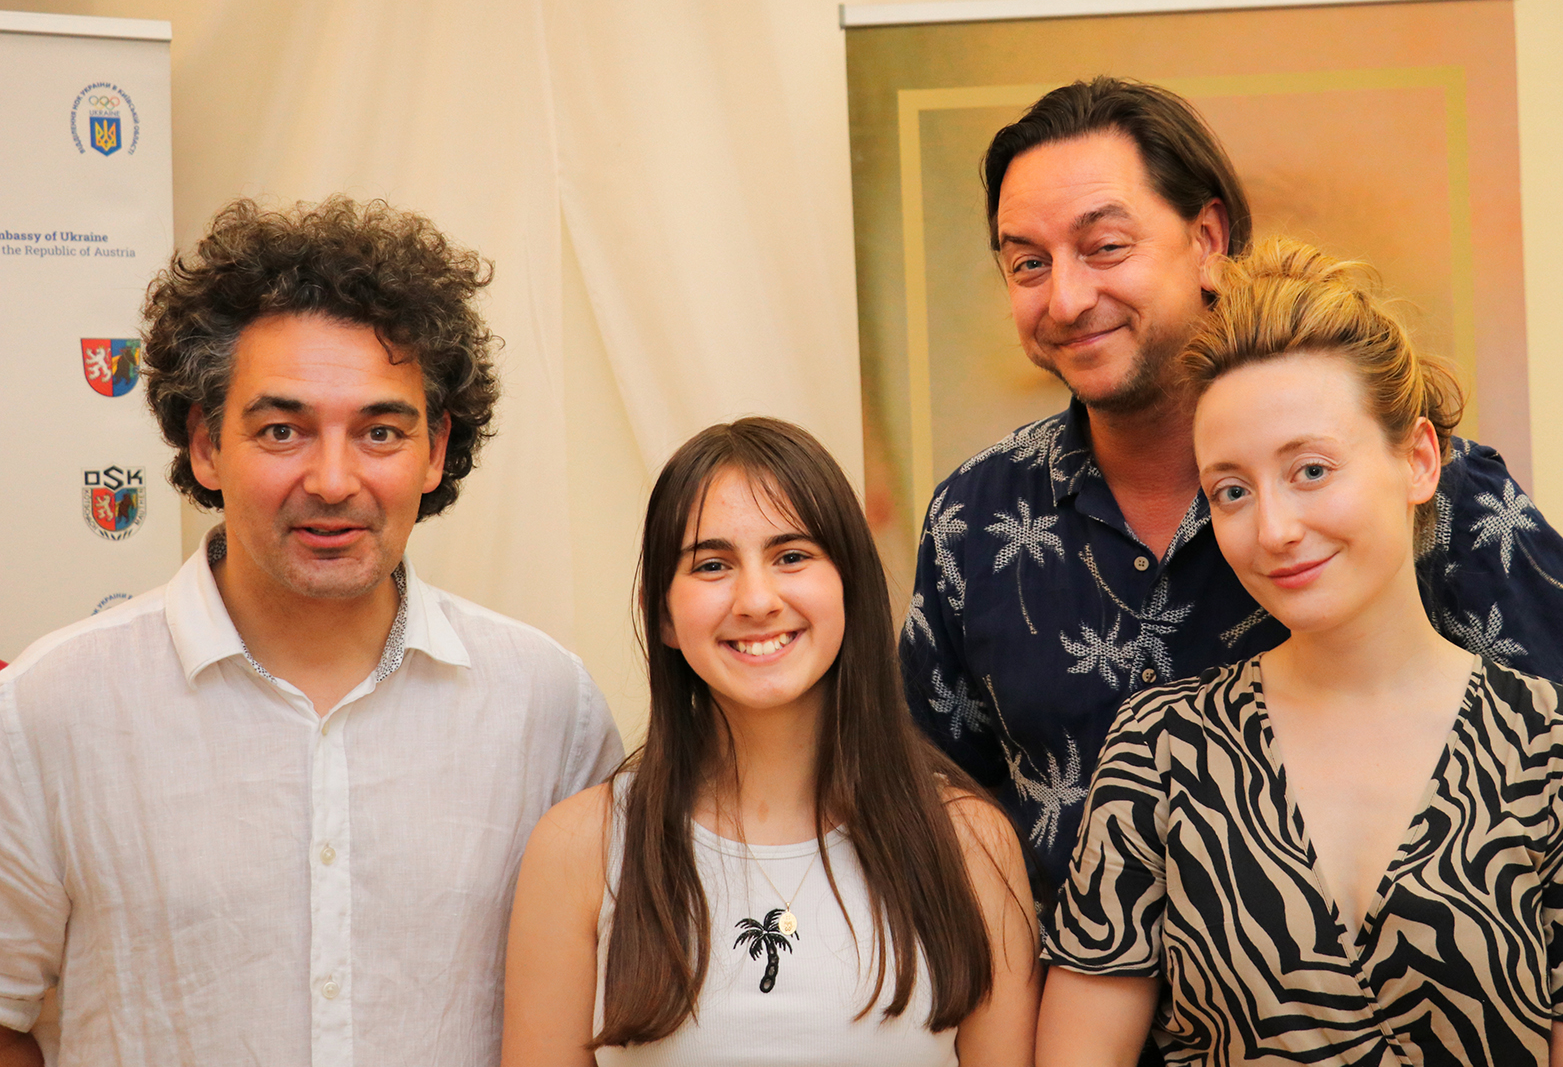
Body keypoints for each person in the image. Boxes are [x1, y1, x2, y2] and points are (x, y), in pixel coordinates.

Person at [901, 78, 1563, 898]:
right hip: (1068, 982)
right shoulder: (976, 517)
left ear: (1208, 240)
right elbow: (932, 796)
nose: (1068, 298)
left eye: (1105, 246)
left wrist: (1558, 953)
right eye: (1028, 264)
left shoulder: (1408, 492)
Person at [0, 197, 623, 1067]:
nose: (333, 480)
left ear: (436, 449)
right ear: (205, 444)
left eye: (380, 431)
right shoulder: (45, 710)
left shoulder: (548, 705)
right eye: (283, 430)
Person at [1037, 241, 1563, 1066]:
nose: (1274, 529)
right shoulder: (1162, 749)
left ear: (1417, 460)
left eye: (1311, 470)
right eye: (1231, 491)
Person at [501, 417, 1040, 1066]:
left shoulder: (969, 842)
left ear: (851, 585)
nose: (756, 600)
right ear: (663, 613)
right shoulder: (579, 848)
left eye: (791, 556)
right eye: (712, 565)